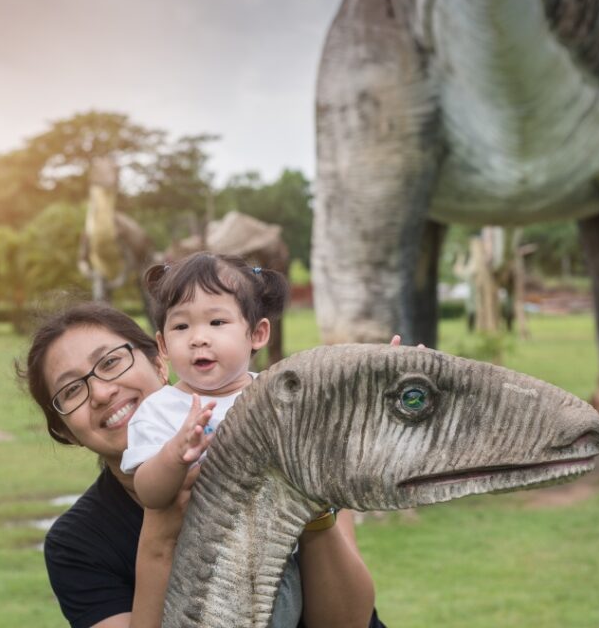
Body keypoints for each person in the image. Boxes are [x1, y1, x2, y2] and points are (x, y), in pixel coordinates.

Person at [21, 300, 384, 627]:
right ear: (64, 431)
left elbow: (347, 623)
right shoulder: (77, 543)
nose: (101, 393)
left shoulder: (279, 429)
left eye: (111, 362)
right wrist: (160, 537)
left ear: (158, 361)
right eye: (71, 391)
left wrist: (309, 499)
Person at [120, 252, 288, 510]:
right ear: (163, 345)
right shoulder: (158, 411)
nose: (198, 338)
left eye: (216, 322)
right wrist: (175, 455)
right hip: (204, 545)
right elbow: (149, 495)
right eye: (181, 326)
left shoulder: (277, 396)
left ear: (257, 333)